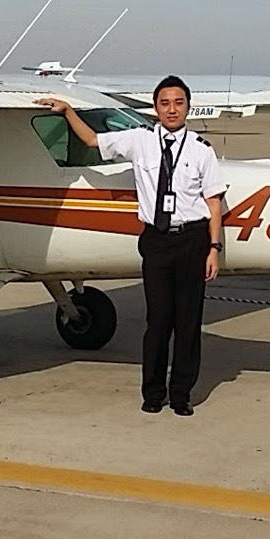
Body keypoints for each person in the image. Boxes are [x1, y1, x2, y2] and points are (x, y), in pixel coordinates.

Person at [36, 77, 227, 416]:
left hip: (192, 239)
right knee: (158, 321)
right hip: (156, 240)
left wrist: (214, 248)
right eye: (165, 103)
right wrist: (67, 111)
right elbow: (93, 140)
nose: (171, 109)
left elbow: (213, 202)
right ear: (155, 108)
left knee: (188, 322)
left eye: (178, 103)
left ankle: (181, 395)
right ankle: (153, 393)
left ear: (188, 107)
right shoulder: (140, 140)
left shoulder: (201, 149)